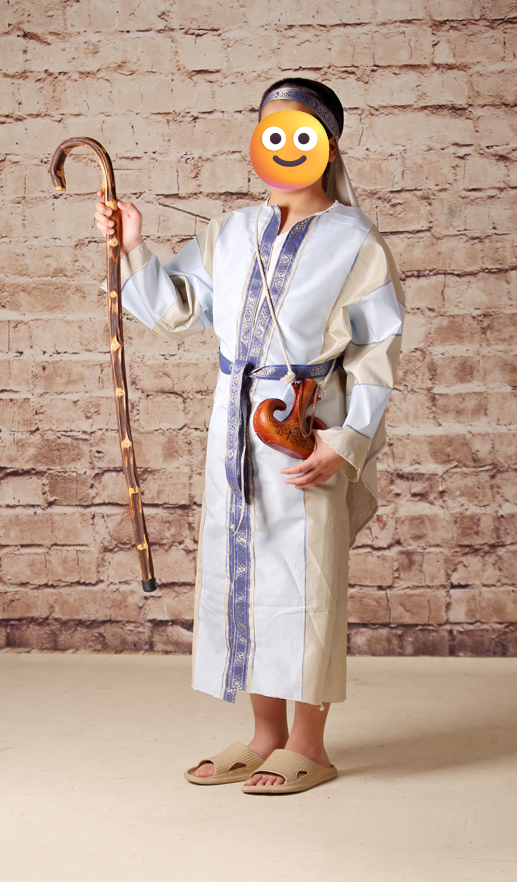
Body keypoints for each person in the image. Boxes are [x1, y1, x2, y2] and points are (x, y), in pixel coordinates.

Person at [94, 77, 404, 795]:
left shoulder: (355, 242)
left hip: (307, 428)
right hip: (235, 426)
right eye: (271, 132)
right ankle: (266, 735)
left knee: (305, 578)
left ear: (327, 147)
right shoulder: (230, 233)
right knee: (247, 573)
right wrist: (134, 245)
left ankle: (309, 744)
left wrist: (347, 441)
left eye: (300, 133)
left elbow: (377, 348)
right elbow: (175, 308)